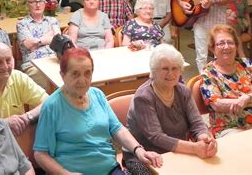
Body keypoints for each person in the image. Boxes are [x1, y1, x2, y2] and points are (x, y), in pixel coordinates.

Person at [33, 48, 163, 175]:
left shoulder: (97, 95)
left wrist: (139, 150)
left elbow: (117, 129)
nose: (82, 80)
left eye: (87, 73)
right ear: (63, 75)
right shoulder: (52, 106)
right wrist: (64, 173)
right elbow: (40, 154)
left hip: (109, 169)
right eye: (75, 74)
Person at [124, 44, 216, 174]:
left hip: (178, 152)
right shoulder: (143, 97)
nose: (171, 74)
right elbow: (156, 137)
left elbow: (197, 122)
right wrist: (195, 148)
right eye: (165, 68)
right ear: (153, 70)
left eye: (175, 68)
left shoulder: (183, 91)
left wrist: (205, 138)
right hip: (146, 156)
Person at [200, 24, 252, 138]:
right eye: (221, 43)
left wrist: (247, 98)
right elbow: (217, 104)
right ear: (212, 48)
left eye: (230, 42)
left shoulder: (246, 64)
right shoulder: (208, 72)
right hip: (229, 127)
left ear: (236, 46)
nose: (226, 47)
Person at [17, 0, 61, 88]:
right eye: (34, 2)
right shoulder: (22, 24)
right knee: (47, 84)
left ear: (45, 4)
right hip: (33, 64)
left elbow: (57, 40)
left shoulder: (52, 20)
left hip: (54, 60)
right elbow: (29, 45)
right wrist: (48, 37)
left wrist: (36, 41)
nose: (37, 5)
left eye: (40, 1)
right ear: (28, 5)